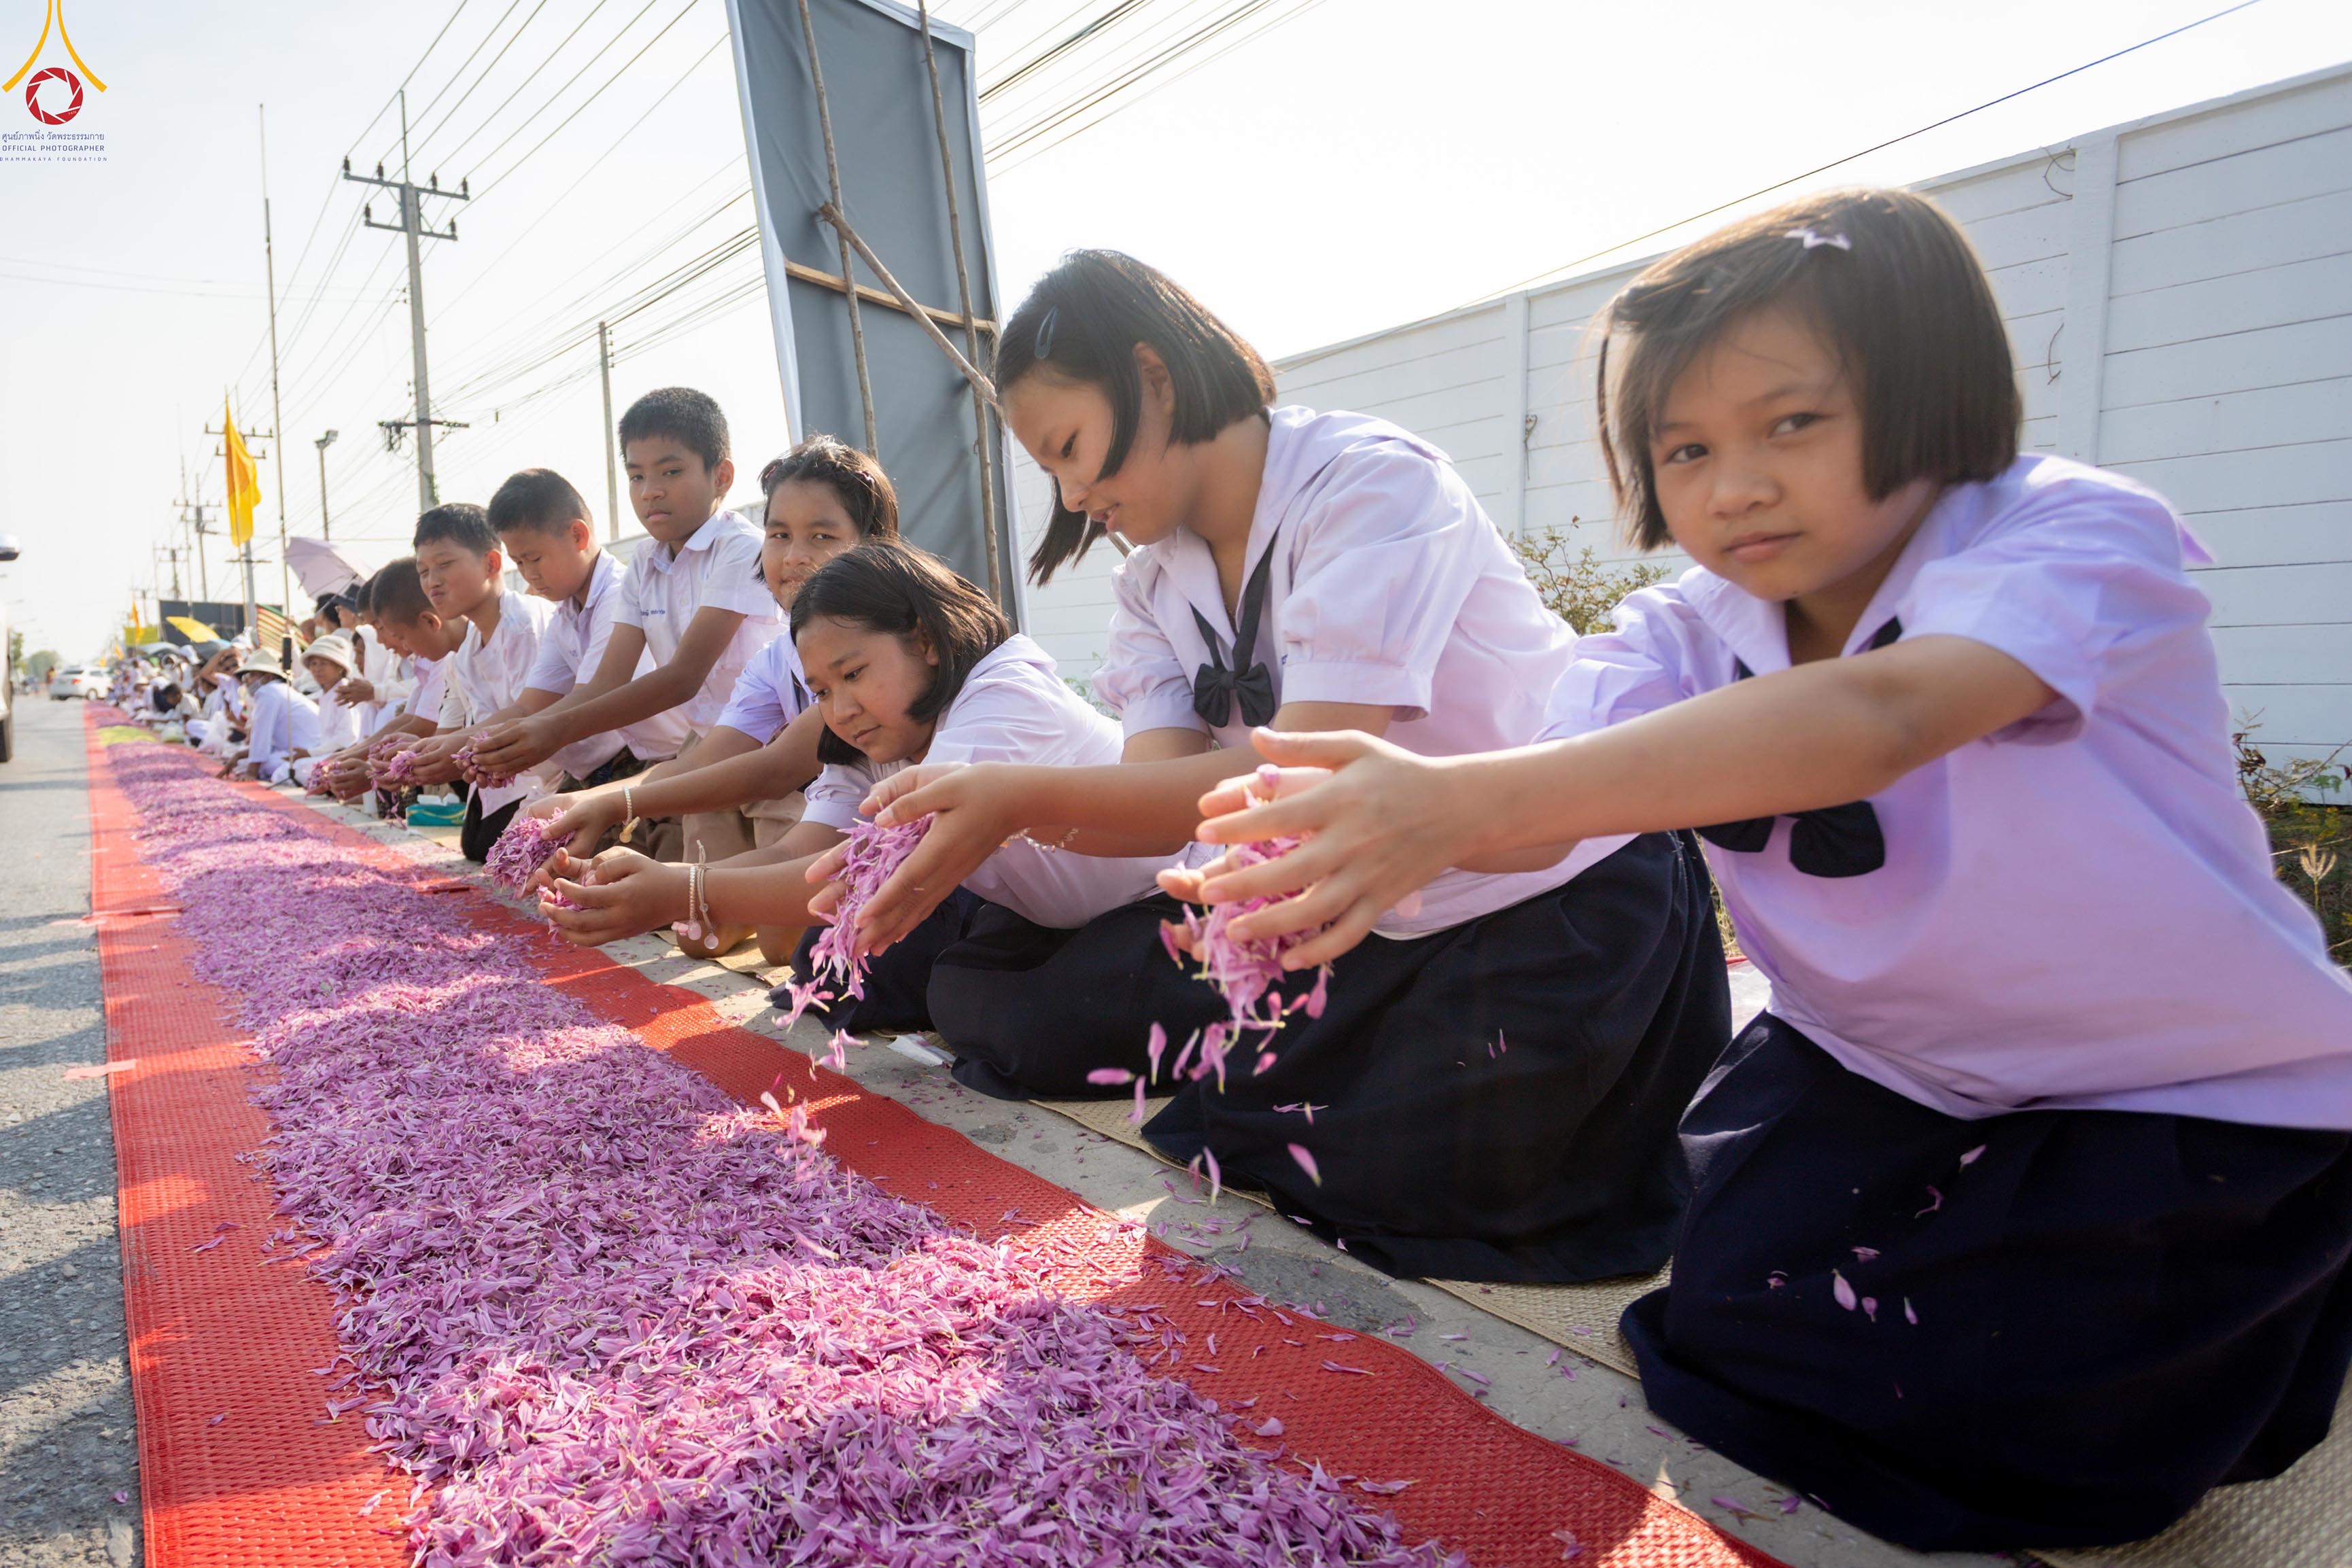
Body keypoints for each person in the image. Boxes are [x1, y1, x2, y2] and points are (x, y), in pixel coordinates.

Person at [1165, 188, 2352, 1551]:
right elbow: (1549, 815)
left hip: (2165, 1081)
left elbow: (1880, 718)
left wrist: (1457, 797)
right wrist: (1337, 857)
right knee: (1727, 1323)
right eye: (1683, 447)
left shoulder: (2066, 534)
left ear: (1931, 395)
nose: (1732, 484)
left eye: (1790, 423)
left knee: (2028, 1422)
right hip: (1889, 1060)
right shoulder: (1686, 624)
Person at [835, 251, 1731, 1283]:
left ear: (1154, 377)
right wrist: (991, 819)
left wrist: (1014, 800)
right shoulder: (1152, 585)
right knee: (1254, 1131)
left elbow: (1302, 780)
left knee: (1429, 1186)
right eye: (1052, 471)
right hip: (1380, 917)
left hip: (1551, 897)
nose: (1077, 494)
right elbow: (1166, 803)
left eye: (1074, 448)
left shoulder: (1373, 485)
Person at [541, 541, 1168, 1024]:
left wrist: (682, 891)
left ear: (924, 640)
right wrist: (675, 887)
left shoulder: (998, 695)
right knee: (831, 969)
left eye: (855, 674)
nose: (839, 709)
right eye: (821, 690)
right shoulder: (870, 733)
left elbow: (872, 878)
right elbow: (800, 854)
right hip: (1033, 912)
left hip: (1157, 898)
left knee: (1009, 1021)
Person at [522, 436, 894, 964]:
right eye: (780, 535)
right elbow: (715, 755)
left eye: (823, 535)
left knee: (791, 945)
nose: (795, 556)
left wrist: (613, 808)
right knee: (706, 934)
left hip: (882, 816)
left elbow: (771, 765)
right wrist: (596, 806)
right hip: (813, 788)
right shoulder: (778, 654)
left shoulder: (885, 639)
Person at [466, 389, 785, 924]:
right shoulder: (643, 562)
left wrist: (551, 731)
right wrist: (541, 730)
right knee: (696, 929)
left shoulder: (739, 548)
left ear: (722, 477)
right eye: (636, 476)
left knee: (757, 929)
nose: (651, 492)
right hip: (704, 744)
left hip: (765, 742)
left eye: (671, 471)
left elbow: (684, 677)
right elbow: (606, 682)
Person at [392, 502, 555, 861]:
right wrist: (418, 756)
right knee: (478, 848)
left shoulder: (523, 626)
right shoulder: (466, 651)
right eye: (423, 571)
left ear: (491, 563)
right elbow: (479, 731)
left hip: (552, 773)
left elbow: (526, 719)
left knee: (496, 852)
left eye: (444, 565)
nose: (432, 582)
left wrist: (449, 750)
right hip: (510, 776)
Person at [223, 646, 319, 784]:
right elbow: (264, 740)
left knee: (263, 765)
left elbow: (261, 736)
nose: (247, 681)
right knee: (244, 761)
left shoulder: (268, 692)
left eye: (251, 675)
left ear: (267, 677)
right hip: (297, 752)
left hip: (308, 754)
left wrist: (251, 773)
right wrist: (239, 755)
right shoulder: (275, 690)